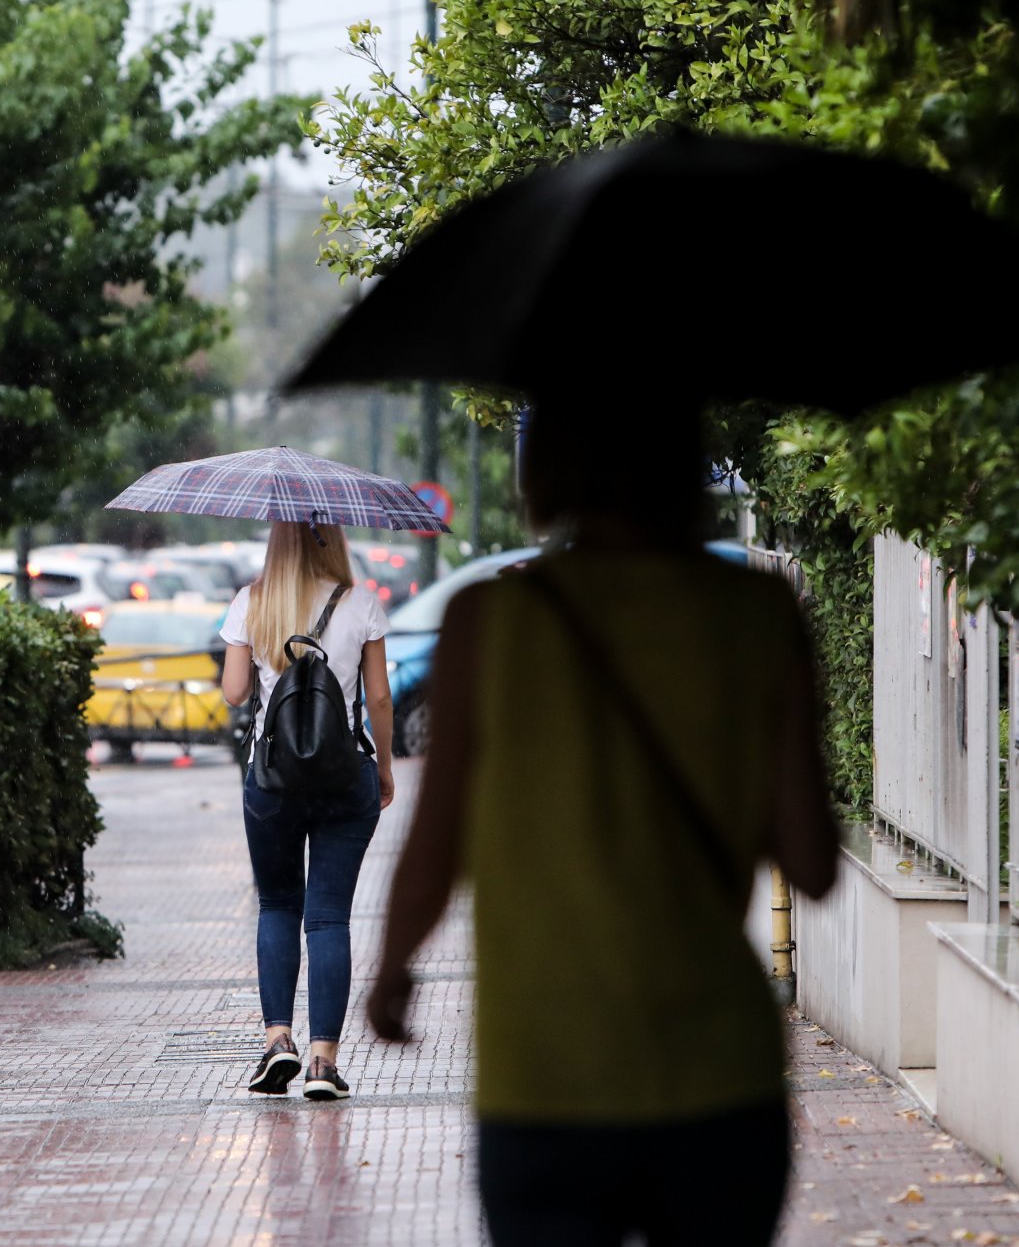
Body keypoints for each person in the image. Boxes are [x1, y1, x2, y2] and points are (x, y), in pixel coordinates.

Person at [365, 390, 842, 1245]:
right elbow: (811, 860)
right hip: (720, 1075)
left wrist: (393, 968)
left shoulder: (488, 621)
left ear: (546, 462)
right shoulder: (759, 616)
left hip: (543, 1074)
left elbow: (435, 843)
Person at [220, 519, 395, 1101]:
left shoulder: (252, 602)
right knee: (327, 917)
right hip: (345, 778)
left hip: (271, 782)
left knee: (276, 907)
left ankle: (278, 1041)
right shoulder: (361, 601)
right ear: (333, 540)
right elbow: (377, 698)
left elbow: (235, 692)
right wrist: (386, 767)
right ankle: (324, 1062)